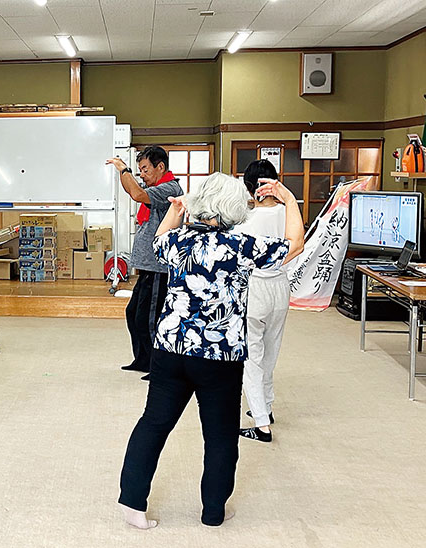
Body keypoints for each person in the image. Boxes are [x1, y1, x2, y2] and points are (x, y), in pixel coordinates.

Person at [117, 172, 304, 529]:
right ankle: (213, 511)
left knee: (154, 423)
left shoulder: (176, 242)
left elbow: (158, 237)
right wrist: (289, 201)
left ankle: (132, 503)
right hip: (219, 356)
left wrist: (176, 208)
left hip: (171, 349)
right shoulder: (242, 245)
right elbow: (295, 243)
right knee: (219, 435)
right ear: (233, 210)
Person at [106, 147, 183, 381]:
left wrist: (124, 169)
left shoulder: (169, 189)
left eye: (145, 169)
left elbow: (137, 194)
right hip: (148, 267)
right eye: (139, 170)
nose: (142, 175)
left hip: (160, 268)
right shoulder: (156, 188)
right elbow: (135, 190)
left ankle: (158, 367)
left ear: (161, 167)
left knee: (150, 320)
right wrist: (124, 174)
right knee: (133, 314)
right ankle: (142, 360)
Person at [234, 160, 291, 443]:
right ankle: (265, 409)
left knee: (251, 358)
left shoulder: (247, 220)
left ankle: (261, 424)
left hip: (254, 288)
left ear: (249, 187)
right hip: (280, 287)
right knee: (270, 352)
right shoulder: (287, 211)